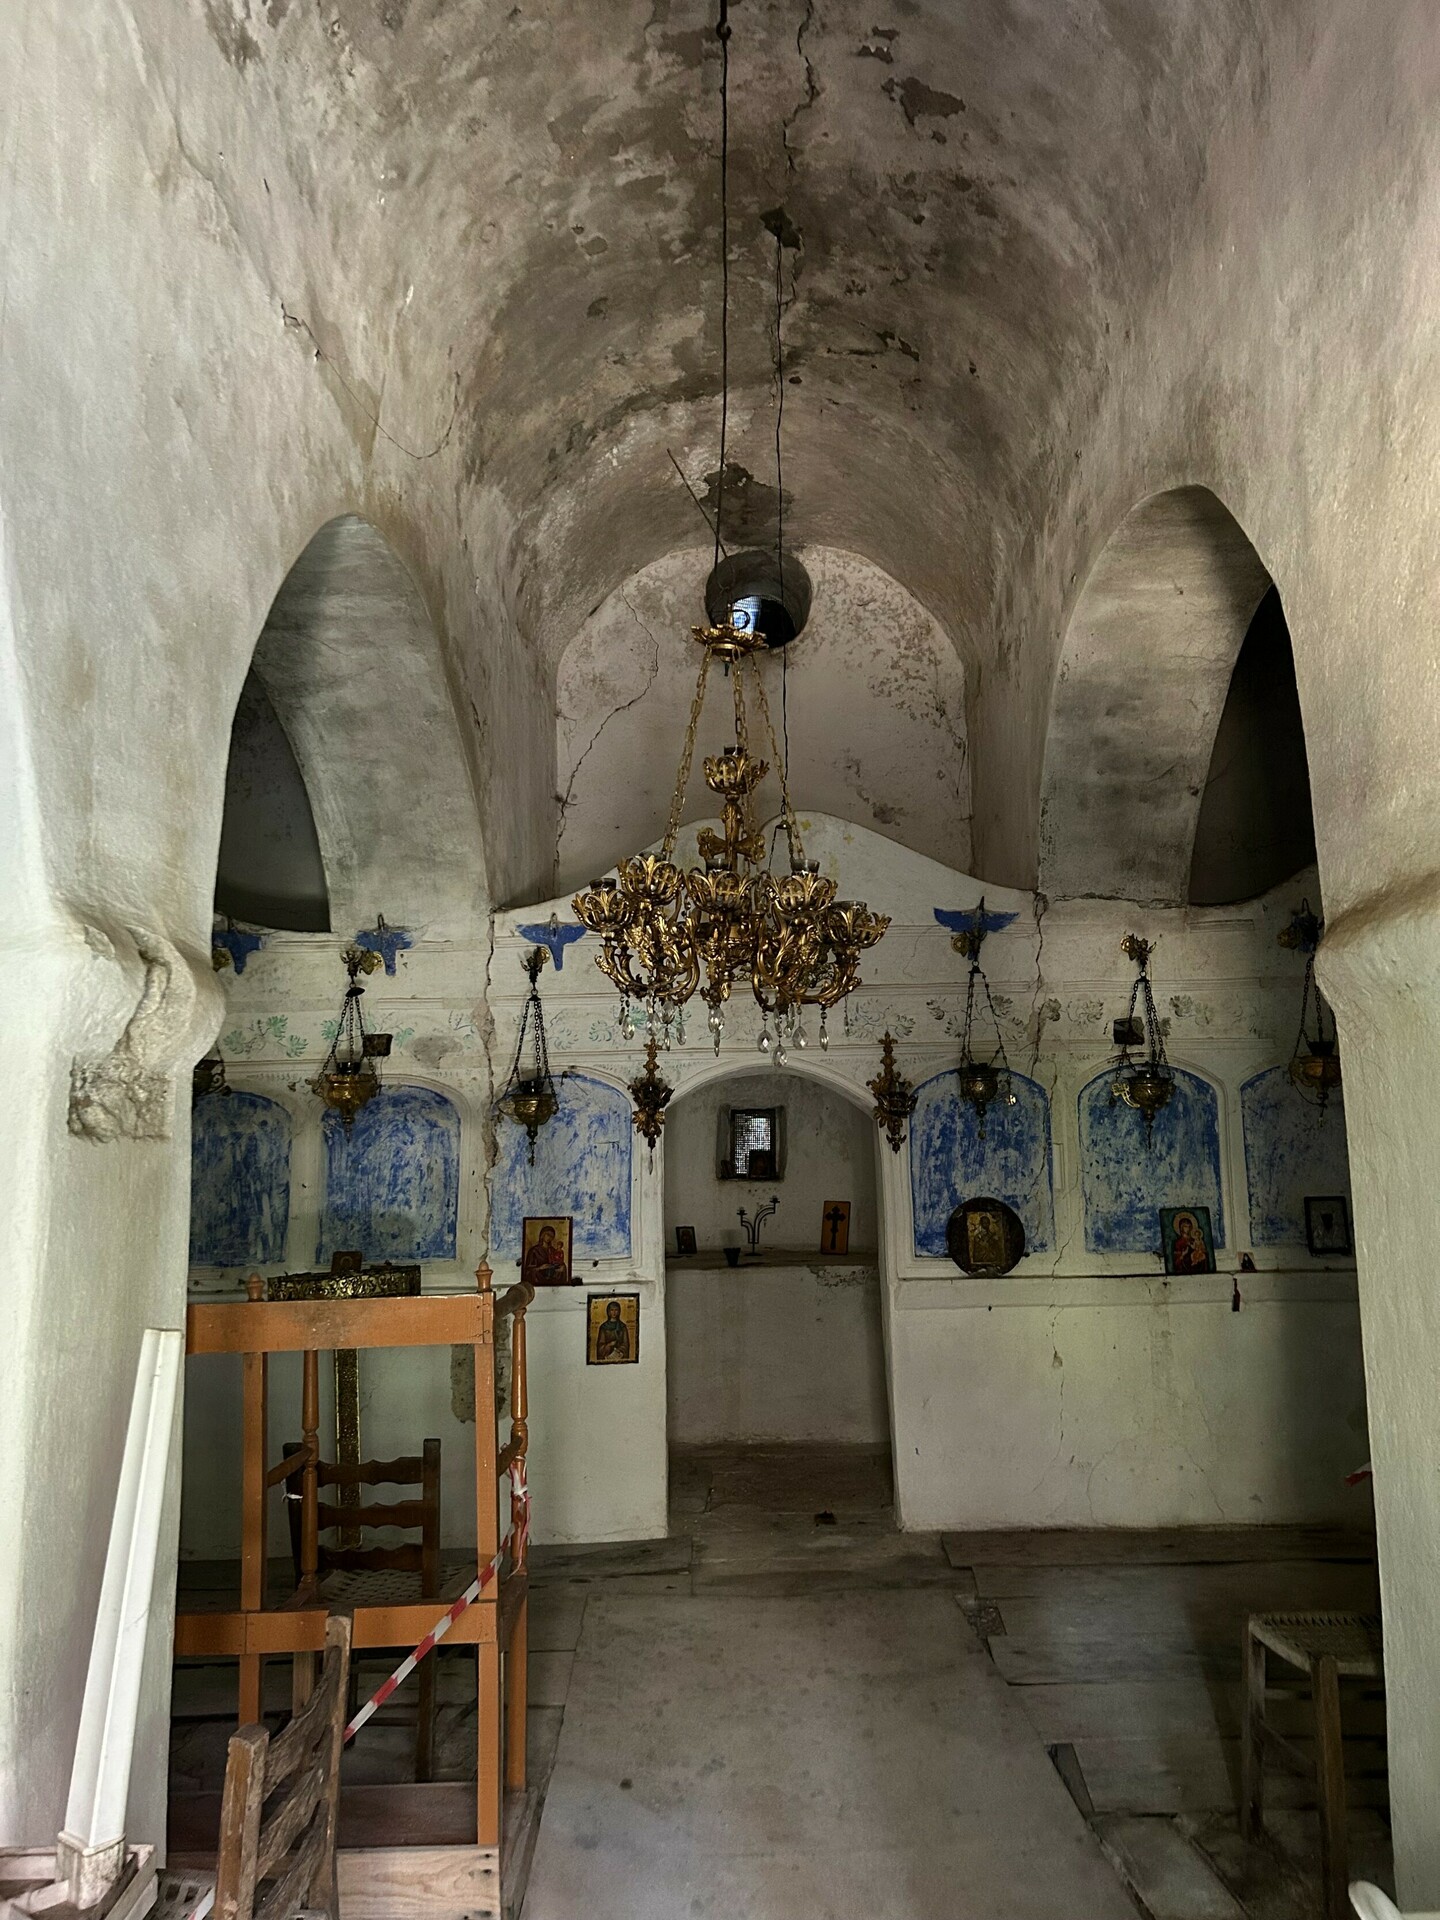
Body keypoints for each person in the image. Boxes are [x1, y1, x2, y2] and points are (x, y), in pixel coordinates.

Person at [523, 1223, 569, 1287]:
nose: (549, 1238)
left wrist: (562, 1267)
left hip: (552, 1279)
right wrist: (540, 1268)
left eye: (552, 1236)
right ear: (543, 1234)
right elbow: (528, 1271)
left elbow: (559, 1262)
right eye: (548, 1235)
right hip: (538, 1281)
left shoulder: (553, 1250)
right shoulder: (534, 1250)